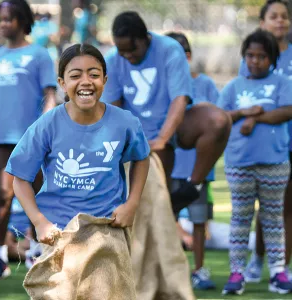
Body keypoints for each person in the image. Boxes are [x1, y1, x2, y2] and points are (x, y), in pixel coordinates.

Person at [102, 11, 231, 299]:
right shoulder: (113, 59)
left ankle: (192, 186)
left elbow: (180, 99)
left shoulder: (169, 49)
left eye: (132, 49)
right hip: (136, 139)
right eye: (121, 51)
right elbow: (113, 108)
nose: (128, 56)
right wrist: (131, 147)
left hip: (171, 131)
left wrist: (162, 139)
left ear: (145, 38)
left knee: (218, 121)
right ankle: (137, 276)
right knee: (151, 211)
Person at [6, 43, 149, 299]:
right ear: (62, 82)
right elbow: (20, 179)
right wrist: (40, 222)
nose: (86, 81)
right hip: (59, 235)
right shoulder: (46, 125)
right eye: (75, 75)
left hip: (106, 231)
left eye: (94, 74)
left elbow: (141, 158)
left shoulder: (124, 123)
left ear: (105, 80)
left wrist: (132, 204)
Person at [219, 29, 292, 295]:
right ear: (244, 57)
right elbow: (220, 118)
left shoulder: (283, 83)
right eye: (250, 55)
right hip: (239, 163)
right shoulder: (233, 87)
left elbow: (286, 111)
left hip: (274, 162)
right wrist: (243, 112)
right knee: (240, 217)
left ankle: (277, 272)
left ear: (272, 58)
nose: (255, 61)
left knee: (273, 218)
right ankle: (237, 273)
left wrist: (255, 119)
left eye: (261, 56)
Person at [0, 0, 57, 279]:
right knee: (5, 196)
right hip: (2, 138)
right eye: (0, 19)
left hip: (31, 137)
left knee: (38, 194)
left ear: (22, 20)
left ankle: (38, 250)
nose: (4, 24)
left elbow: (51, 96)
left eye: (9, 19)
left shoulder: (39, 55)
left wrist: (44, 130)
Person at [240, 0, 292, 283]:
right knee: (264, 208)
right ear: (263, 22)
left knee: (286, 207)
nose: (281, 21)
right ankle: (257, 260)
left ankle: (281, 269)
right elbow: (242, 101)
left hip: (288, 142)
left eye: (285, 16)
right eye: (274, 16)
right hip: (263, 146)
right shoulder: (251, 55)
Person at [167, 31, 218, 291]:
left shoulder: (205, 84)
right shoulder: (162, 86)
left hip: (197, 169)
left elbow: (217, 124)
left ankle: (199, 269)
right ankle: (168, 272)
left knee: (199, 221)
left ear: (187, 57)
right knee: (164, 221)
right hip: (168, 167)